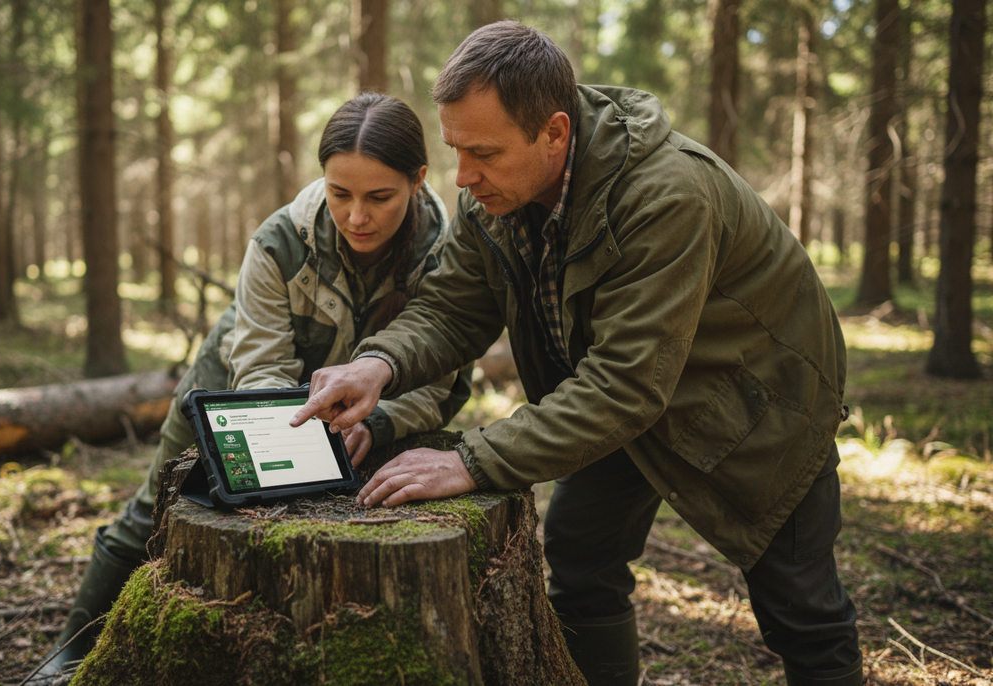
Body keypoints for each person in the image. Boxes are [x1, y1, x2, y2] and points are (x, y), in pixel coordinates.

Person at [291, 21, 862, 686]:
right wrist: (378, 365)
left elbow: (626, 385)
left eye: (483, 153)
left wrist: (470, 460)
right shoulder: (494, 197)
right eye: (455, 150)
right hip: (620, 399)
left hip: (759, 406)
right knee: (582, 561)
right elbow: (452, 308)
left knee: (802, 611)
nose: (463, 176)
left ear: (554, 132)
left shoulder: (665, 196)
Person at [27, 92, 471, 683]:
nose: (357, 216)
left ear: (418, 180)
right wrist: (291, 430)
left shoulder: (447, 253)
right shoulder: (279, 243)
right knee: (152, 511)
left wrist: (377, 422)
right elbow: (258, 365)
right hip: (232, 390)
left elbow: (439, 377)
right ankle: (68, 653)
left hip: (370, 416)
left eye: (379, 197)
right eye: (340, 194)